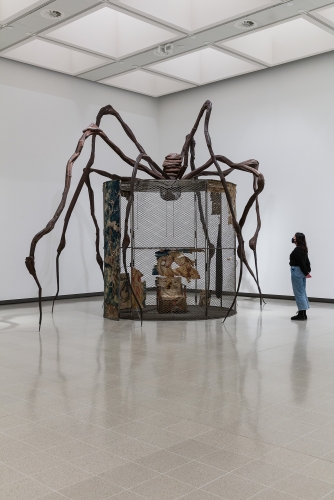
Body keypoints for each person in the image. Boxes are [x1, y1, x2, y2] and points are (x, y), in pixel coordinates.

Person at [290, 232, 311, 320]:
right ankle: (303, 313)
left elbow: (301, 262)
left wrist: (306, 272)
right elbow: (307, 262)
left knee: (299, 293)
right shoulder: (303, 249)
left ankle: (301, 314)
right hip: (301, 272)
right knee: (302, 292)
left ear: (297, 239)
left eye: (294, 236)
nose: (293, 238)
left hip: (297, 271)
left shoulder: (297, 250)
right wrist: (307, 271)